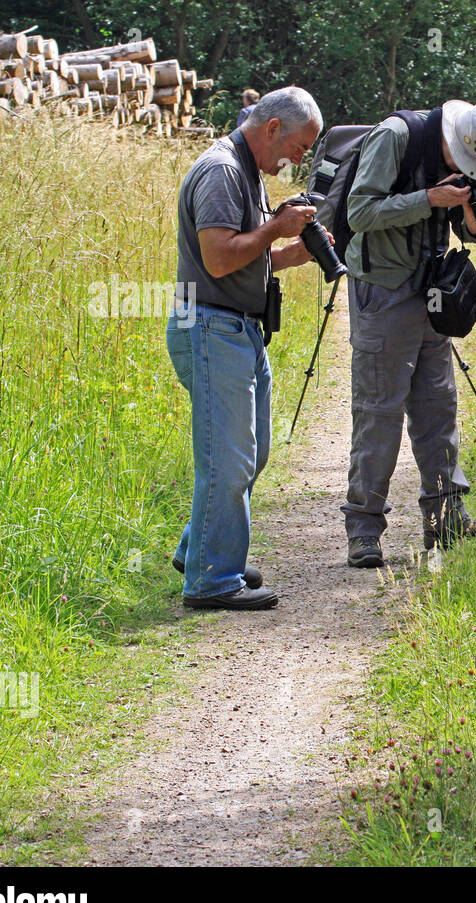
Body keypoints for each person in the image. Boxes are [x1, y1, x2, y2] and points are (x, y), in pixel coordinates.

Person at [167, 87, 327, 609]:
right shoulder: (222, 171)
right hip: (212, 328)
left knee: (251, 454)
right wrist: (275, 228)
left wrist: (292, 253)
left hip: (237, 329)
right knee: (228, 462)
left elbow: (246, 255)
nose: (298, 160)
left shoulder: (247, 169)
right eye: (300, 148)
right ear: (273, 128)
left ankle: (201, 549)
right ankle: (212, 582)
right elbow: (217, 259)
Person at [341, 100, 476, 568]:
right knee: (380, 411)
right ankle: (364, 529)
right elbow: (359, 213)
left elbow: (460, 225)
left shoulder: (463, 155)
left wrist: (475, 220)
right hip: (382, 292)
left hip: (432, 289)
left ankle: (446, 519)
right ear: (456, 140)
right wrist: (428, 200)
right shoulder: (396, 137)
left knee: (437, 406)